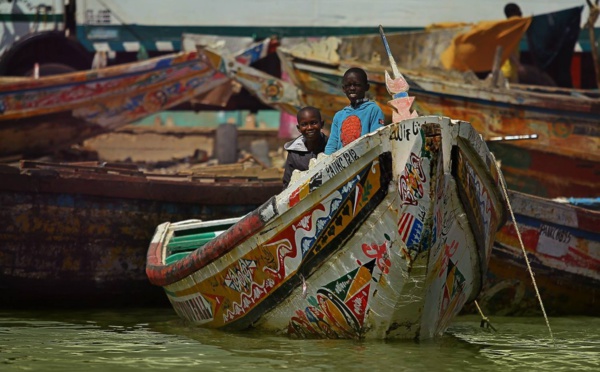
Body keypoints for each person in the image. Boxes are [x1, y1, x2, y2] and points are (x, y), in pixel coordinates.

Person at [324, 67, 385, 155]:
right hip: (342, 166)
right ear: (344, 89)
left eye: (357, 85)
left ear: (366, 87)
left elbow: (377, 139)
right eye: (348, 85)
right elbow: (332, 144)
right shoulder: (339, 116)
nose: (352, 88)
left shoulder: (373, 110)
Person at [282, 106, 328, 188]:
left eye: (313, 123)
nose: (309, 128)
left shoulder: (331, 146)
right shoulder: (294, 153)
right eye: (304, 124)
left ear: (322, 124)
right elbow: (287, 184)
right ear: (299, 128)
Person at [501, 3, 523, 83]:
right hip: (507, 70)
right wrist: (518, 65)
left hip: (512, 70)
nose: (521, 14)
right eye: (519, 11)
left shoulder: (511, 27)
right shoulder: (510, 29)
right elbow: (508, 50)